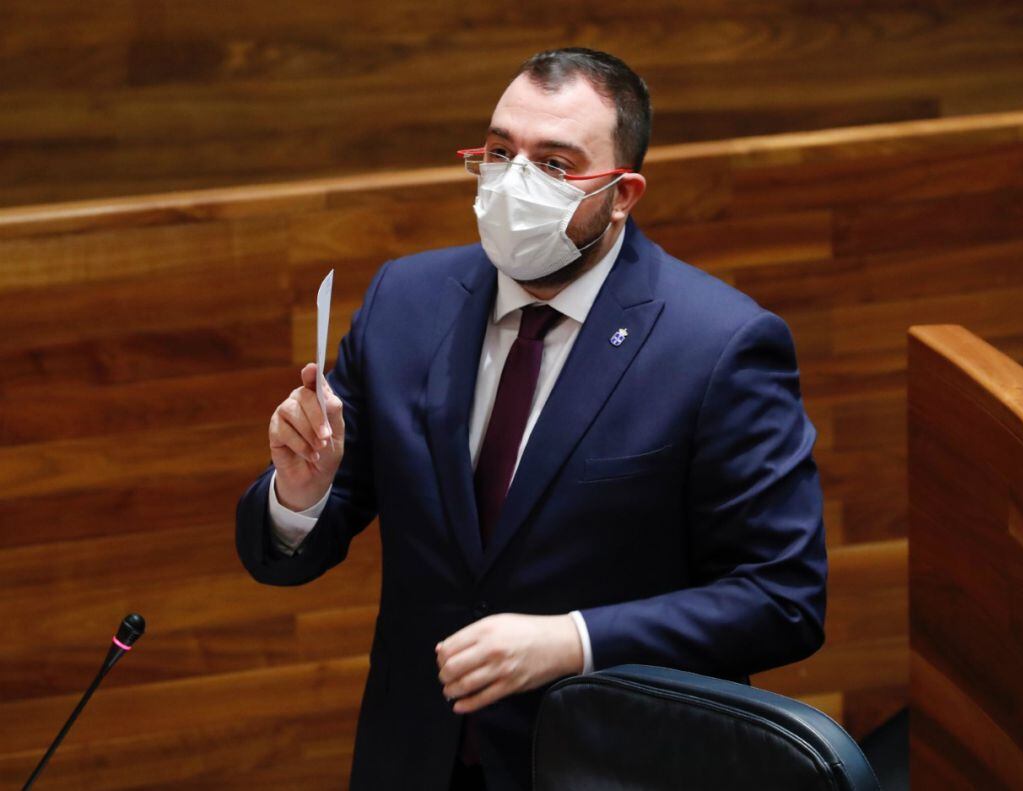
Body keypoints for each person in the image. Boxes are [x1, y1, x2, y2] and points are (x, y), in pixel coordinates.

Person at [236, 47, 827, 791]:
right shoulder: (404, 303)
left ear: (622, 193)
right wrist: (300, 494)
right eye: (498, 151)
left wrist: (575, 640)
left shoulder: (718, 346)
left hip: (612, 764)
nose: (513, 181)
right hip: (416, 757)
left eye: (554, 164)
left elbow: (784, 598)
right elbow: (291, 548)